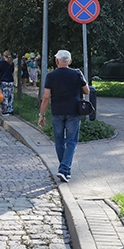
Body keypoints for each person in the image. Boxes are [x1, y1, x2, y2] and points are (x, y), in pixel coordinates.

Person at [38, 50, 90, 183]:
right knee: (71, 142)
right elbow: (87, 91)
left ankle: (64, 169)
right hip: (73, 111)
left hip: (57, 112)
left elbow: (46, 97)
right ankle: (64, 169)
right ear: (70, 61)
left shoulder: (51, 76)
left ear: (56, 61)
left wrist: (42, 114)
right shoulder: (77, 74)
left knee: (59, 141)